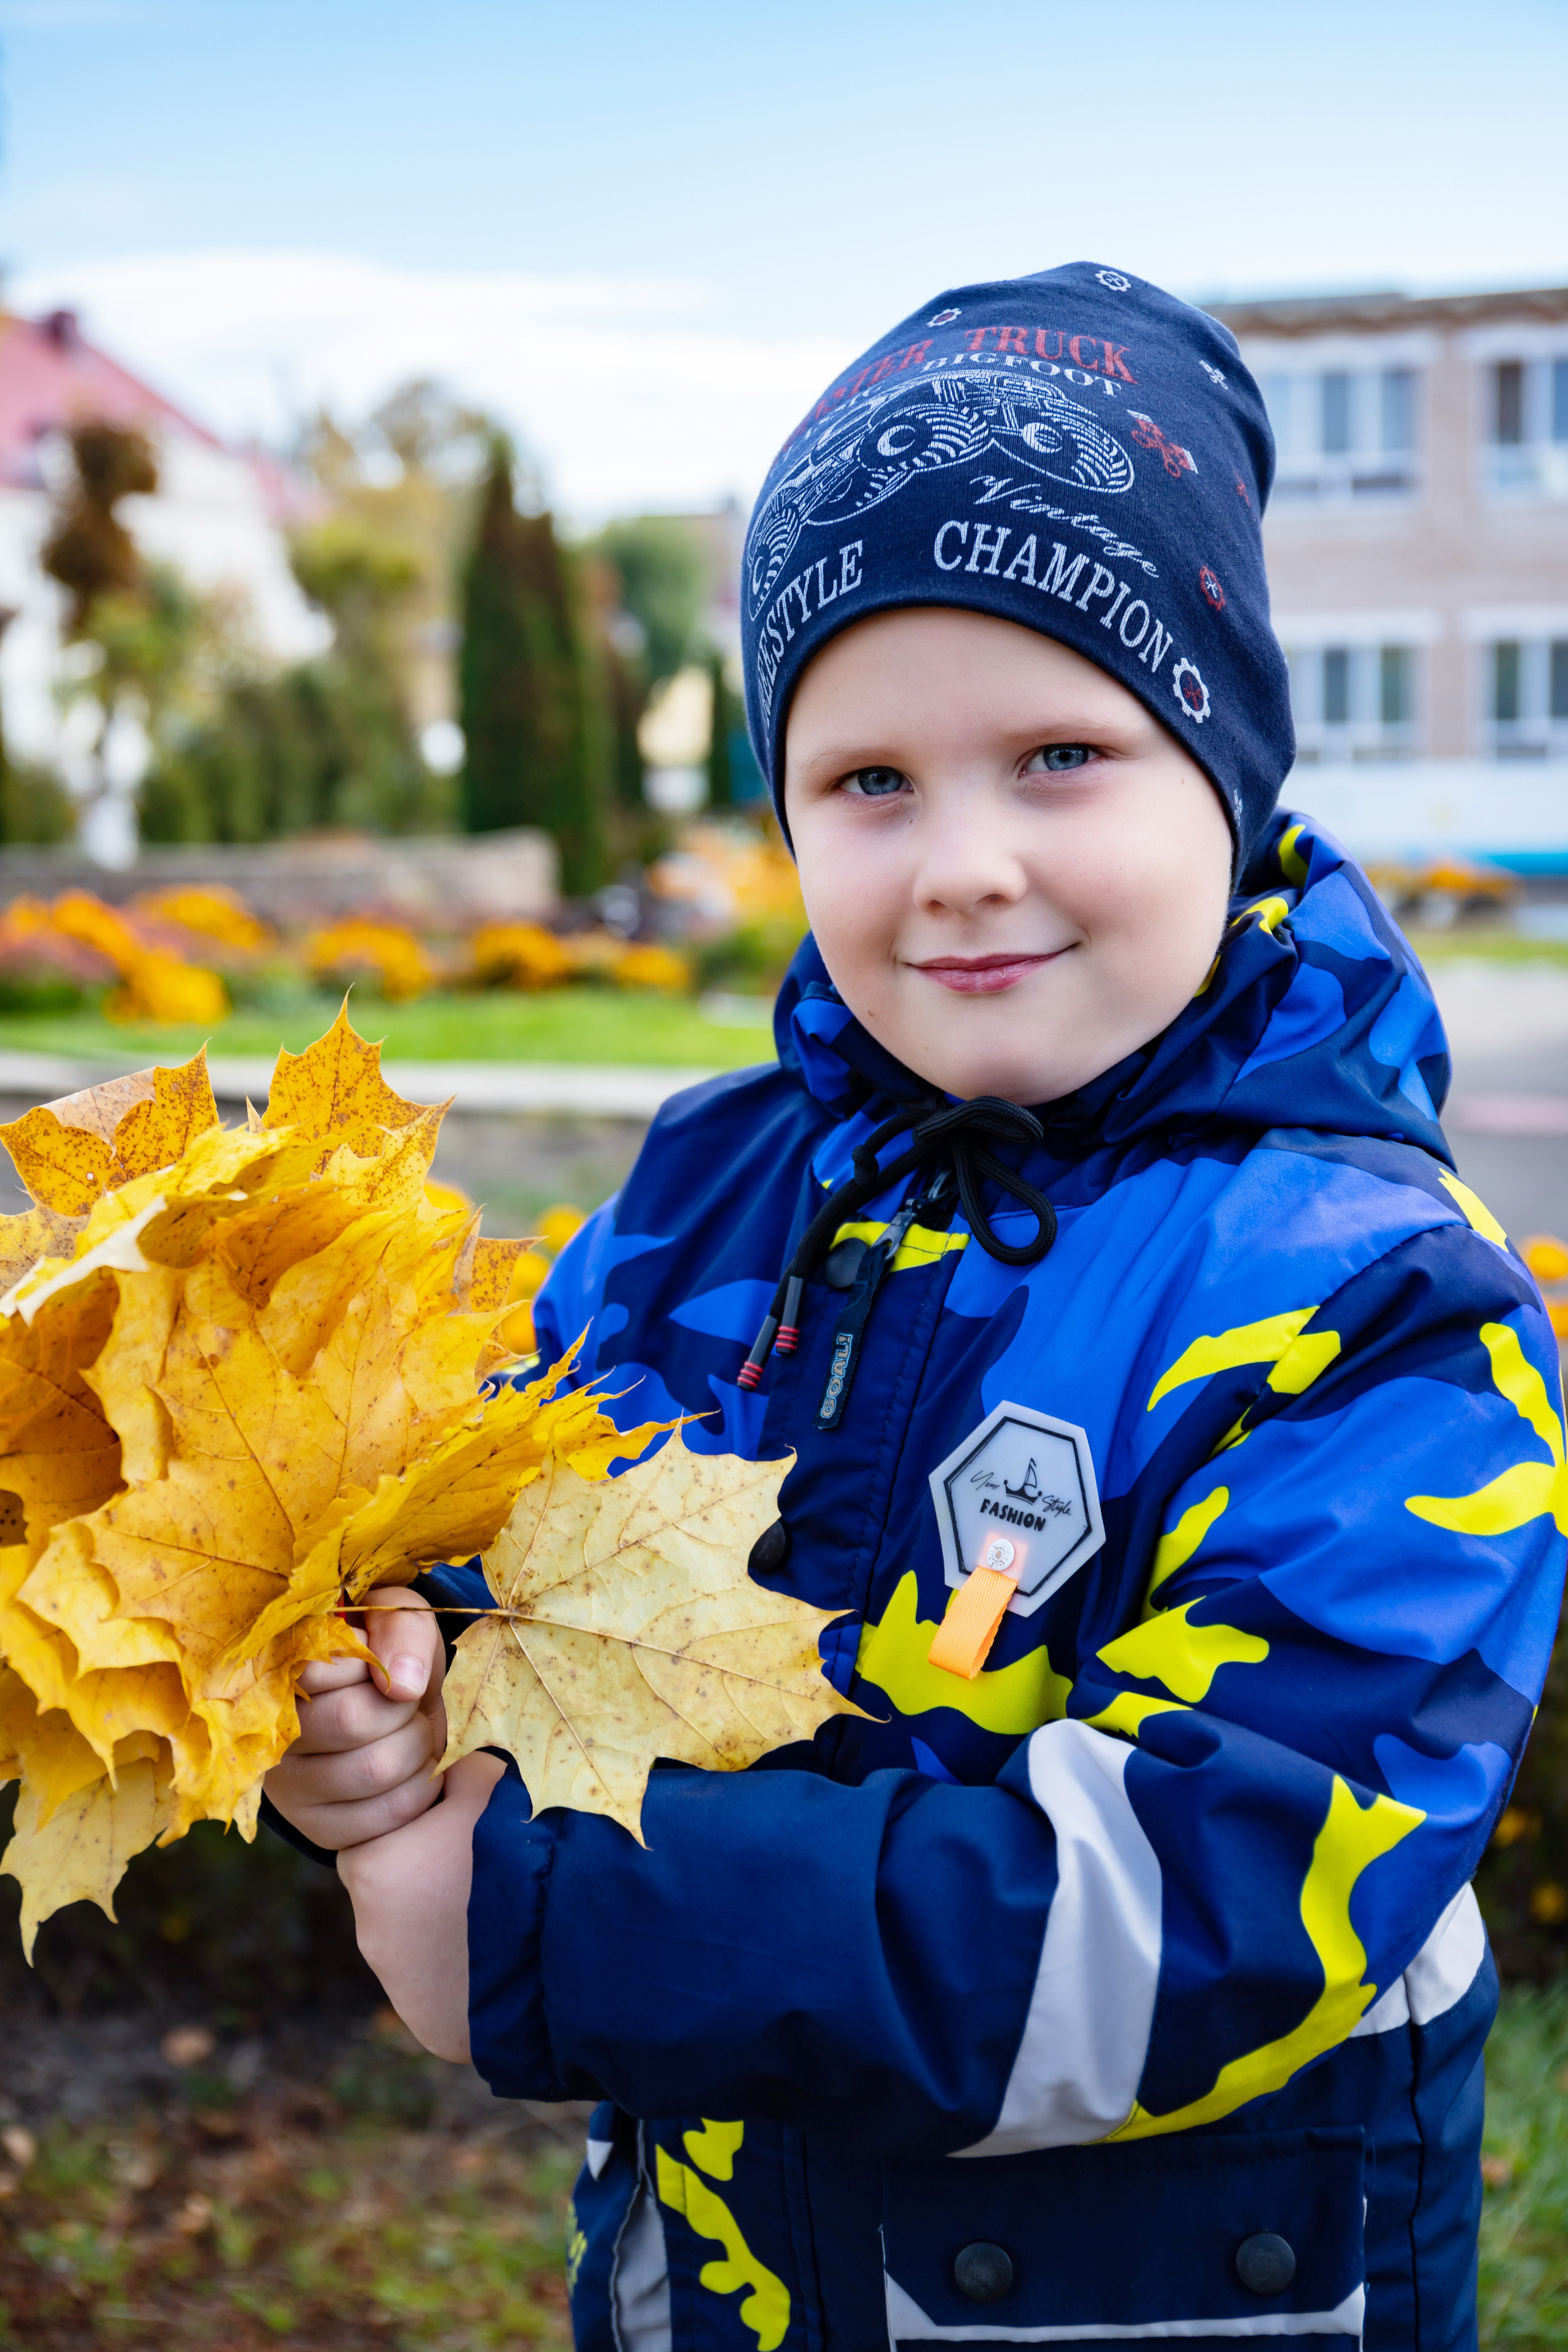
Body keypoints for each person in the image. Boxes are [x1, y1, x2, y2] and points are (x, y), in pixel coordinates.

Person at [263, 263, 1567, 2352]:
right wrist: (391, 1745)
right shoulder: (704, 1201)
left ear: (1223, 780)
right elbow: (490, 1577)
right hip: (728, 2280)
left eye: (1059, 753)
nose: (959, 861)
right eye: (869, 781)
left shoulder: (1377, 1307)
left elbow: (1230, 1896)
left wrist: (530, 1921)